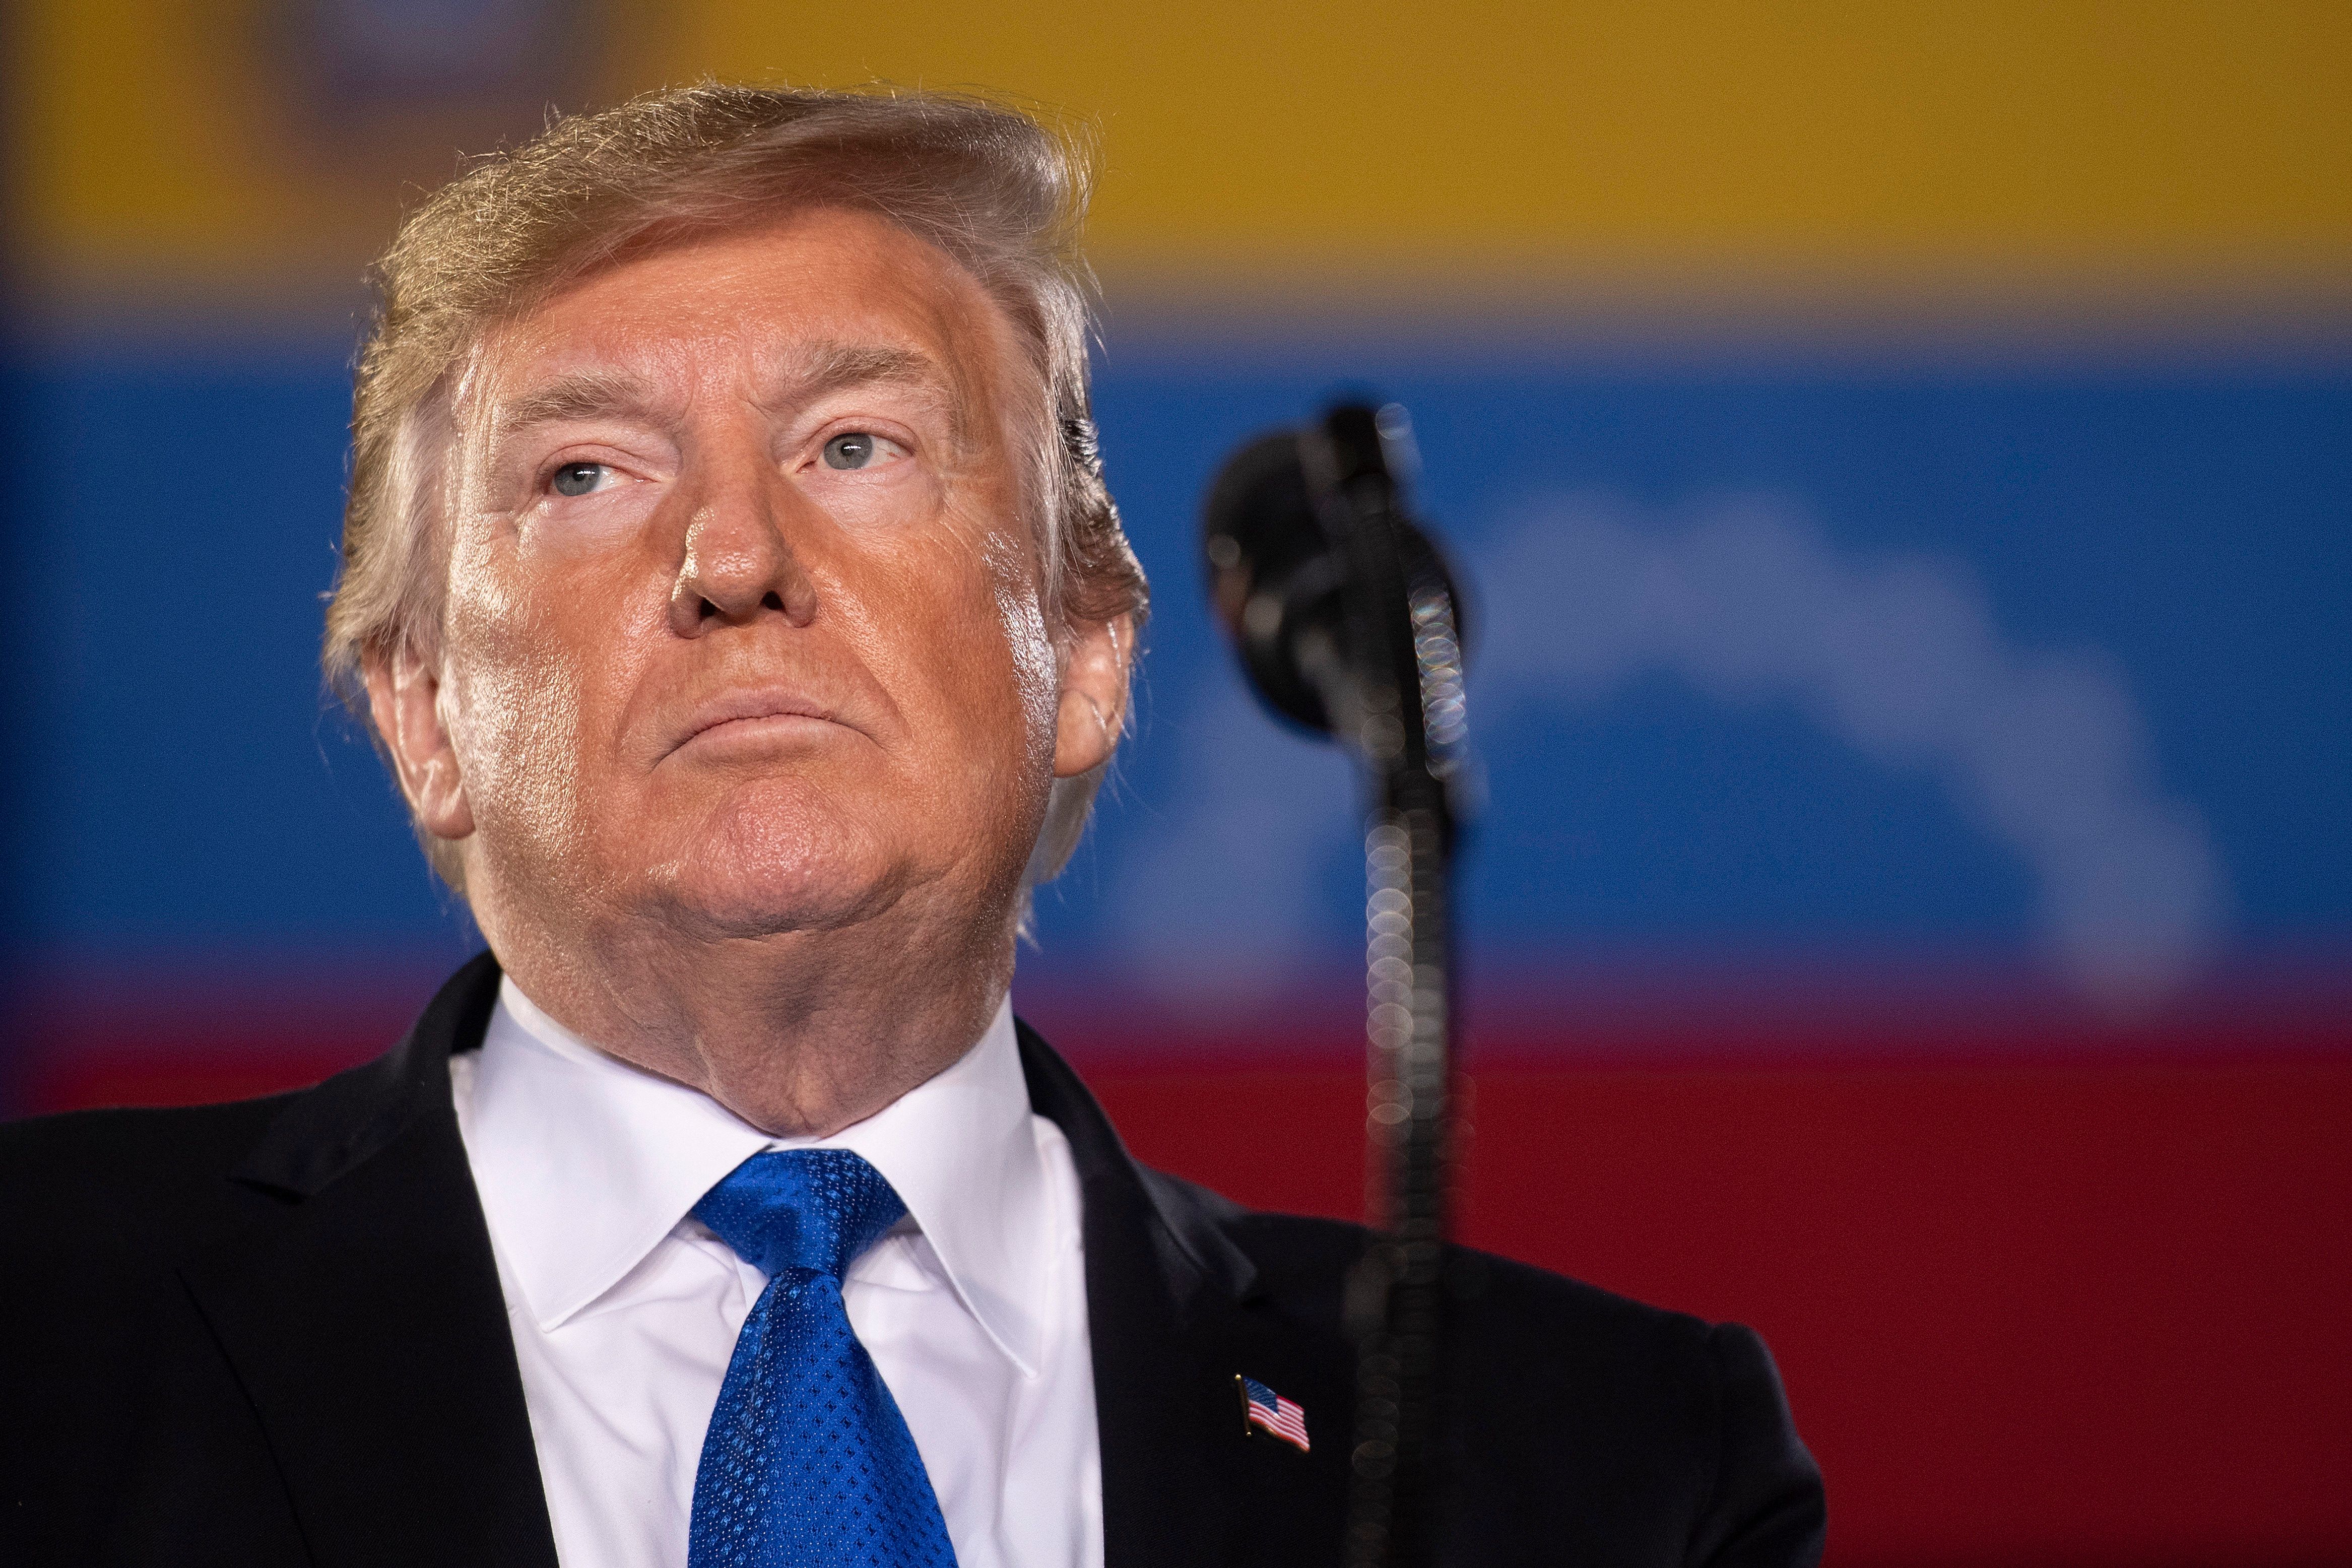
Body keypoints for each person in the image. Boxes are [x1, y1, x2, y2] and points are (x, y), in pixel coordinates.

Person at [0, 85, 1823, 1567]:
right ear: (424, 720)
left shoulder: (1597, 1470)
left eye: (855, 444)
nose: (732, 560)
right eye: (586, 474)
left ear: (1088, 653)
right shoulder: (48, 1339)